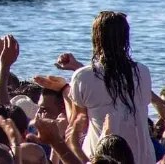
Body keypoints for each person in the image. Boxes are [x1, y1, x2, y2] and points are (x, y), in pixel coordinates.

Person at [65, 11, 154, 164]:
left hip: (100, 156)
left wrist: (63, 91)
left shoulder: (83, 76)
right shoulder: (143, 72)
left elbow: (78, 124)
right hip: (143, 157)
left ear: (96, 39)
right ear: (126, 39)